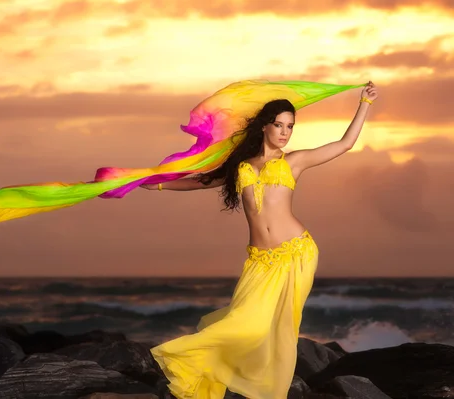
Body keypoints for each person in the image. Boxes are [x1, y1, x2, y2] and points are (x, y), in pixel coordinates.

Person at [140, 82, 379, 399]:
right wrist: (155, 185)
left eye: (290, 127)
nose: (284, 132)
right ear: (264, 126)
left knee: (276, 329)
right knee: (243, 321)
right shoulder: (241, 166)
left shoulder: (293, 161)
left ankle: (266, 390)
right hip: (259, 260)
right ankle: (215, 379)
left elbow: (345, 143)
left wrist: (364, 102)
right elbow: (200, 182)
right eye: (279, 125)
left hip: (297, 253)